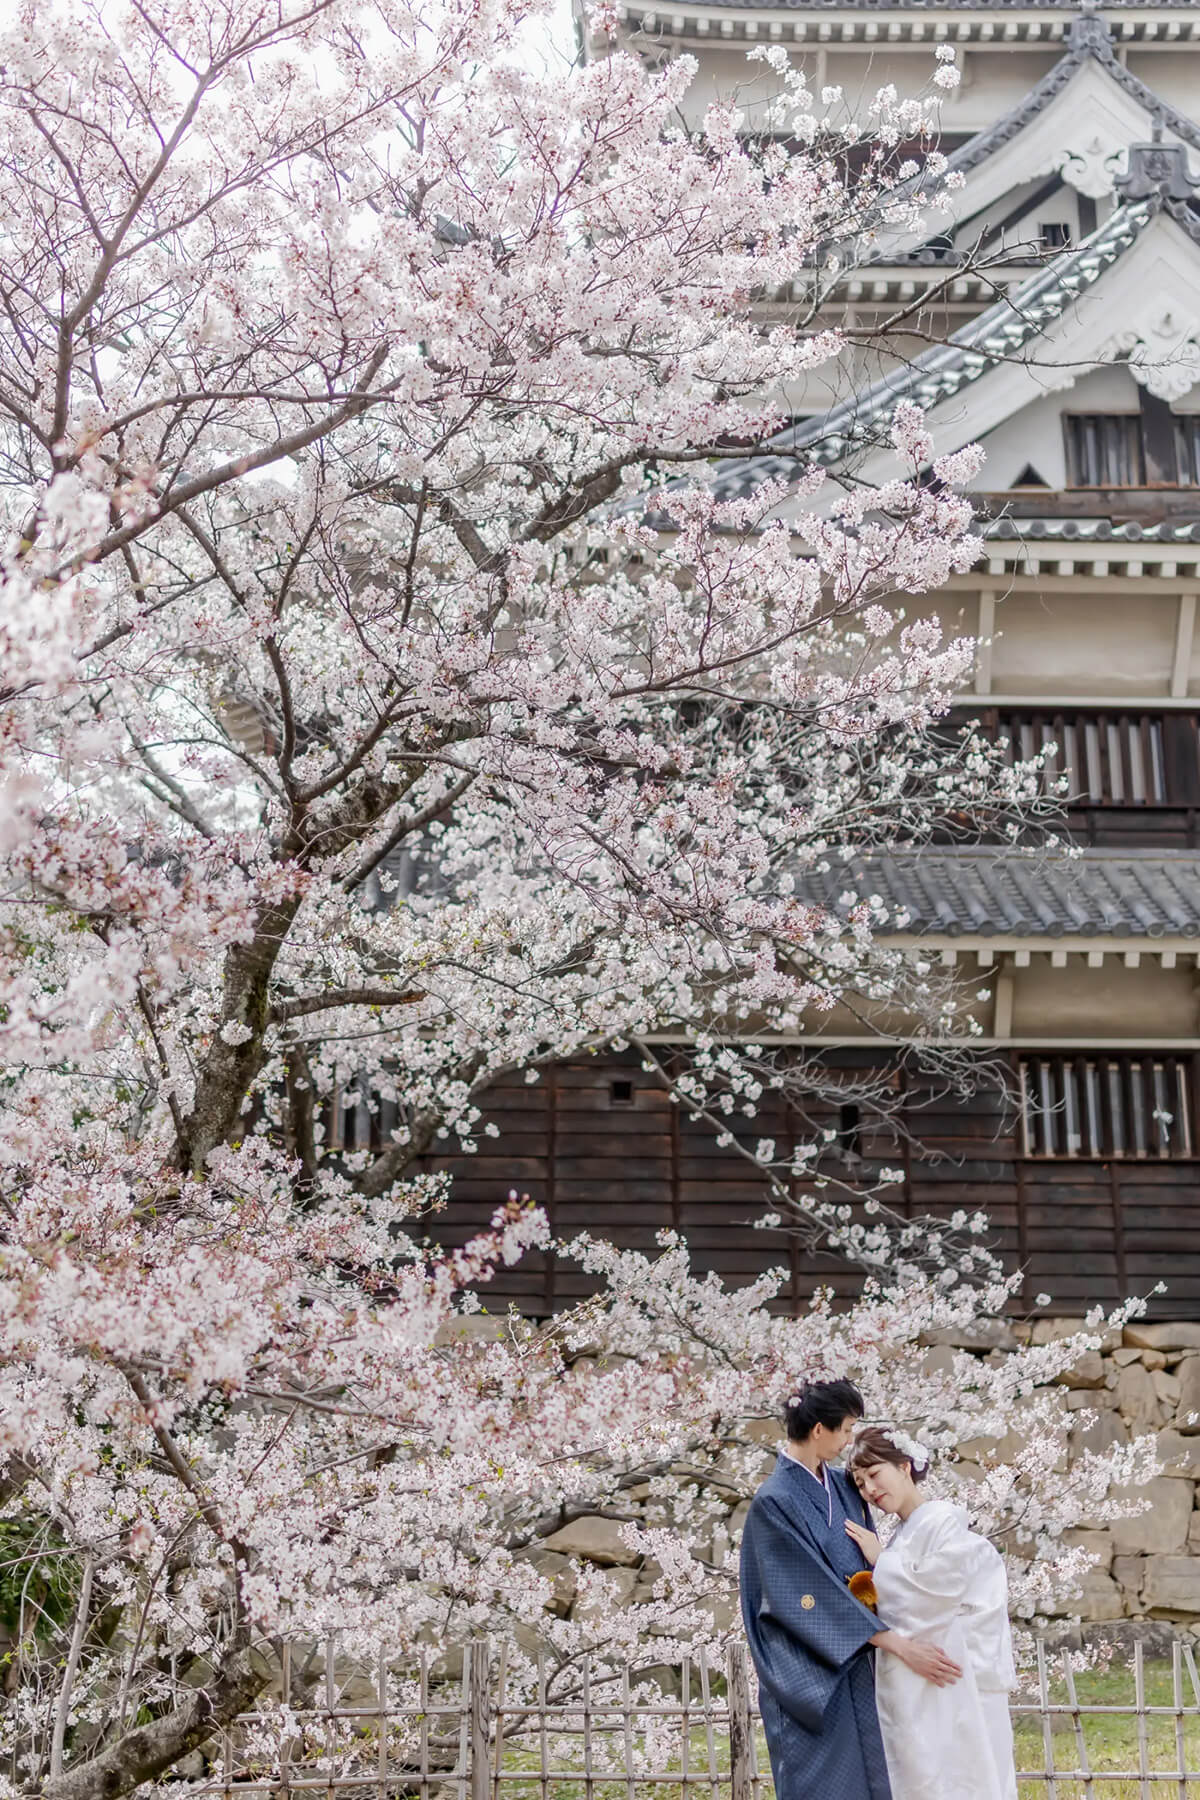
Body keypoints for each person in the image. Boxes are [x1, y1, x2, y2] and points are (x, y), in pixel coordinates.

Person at [739, 1381, 963, 1800]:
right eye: (845, 1430)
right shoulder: (774, 1502)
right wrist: (896, 1644)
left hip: (859, 1657)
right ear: (819, 1430)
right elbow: (804, 1595)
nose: (849, 1441)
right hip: (808, 1665)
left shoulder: (844, 1486)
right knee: (824, 1784)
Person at [845, 1424, 1018, 1800]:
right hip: (926, 1676)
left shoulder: (940, 1521)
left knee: (960, 1777)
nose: (870, 1490)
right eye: (860, 1484)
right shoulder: (904, 1533)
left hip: (953, 1676)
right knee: (928, 1776)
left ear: (905, 1466)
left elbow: (935, 1592)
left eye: (874, 1474)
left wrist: (881, 1561)